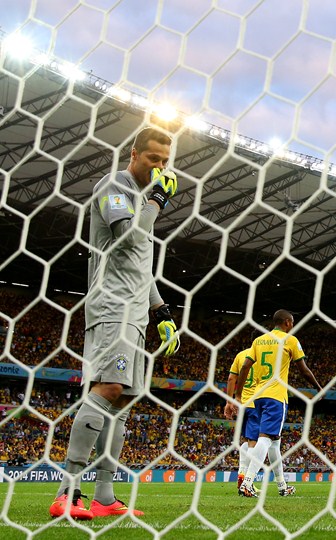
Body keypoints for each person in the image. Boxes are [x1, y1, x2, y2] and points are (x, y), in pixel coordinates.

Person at [49, 127, 180, 521]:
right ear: (134, 154)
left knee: (122, 401)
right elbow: (126, 239)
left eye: (165, 161)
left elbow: (140, 265)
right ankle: (66, 493)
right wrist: (158, 199)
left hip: (137, 312)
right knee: (108, 387)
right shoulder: (114, 187)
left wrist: (161, 313)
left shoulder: (140, 199)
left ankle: (105, 497)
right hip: (112, 306)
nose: (159, 167)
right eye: (153, 159)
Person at [235, 310, 324, 498]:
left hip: (258, 397)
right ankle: (248, 482)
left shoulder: (258, 341)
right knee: (266, 439)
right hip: (276, 396)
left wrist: (238, 394)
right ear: (287, 322)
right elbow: (304, 370)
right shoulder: (290, 341)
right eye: (292, 322)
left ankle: (282, 486)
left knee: (275, 443)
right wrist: (319, 387)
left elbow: (245, 367)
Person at [223, 337, 262, 496]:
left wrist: (229, 401)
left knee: (245, 441)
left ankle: (241, 476)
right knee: (255, 442)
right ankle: (248, 482)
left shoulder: (241, 355)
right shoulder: (263, 356)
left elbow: (231, 378)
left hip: (241, 403)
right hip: (256, 403)